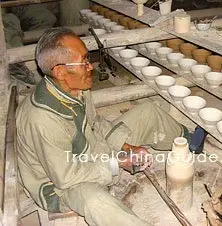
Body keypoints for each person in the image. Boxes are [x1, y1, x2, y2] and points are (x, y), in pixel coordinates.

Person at [16, 27, 207, 226]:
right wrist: (117, 162)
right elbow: (66, 176)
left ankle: (187, 140)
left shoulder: (76, 88)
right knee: (96, 201)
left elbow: (95, 123)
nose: (91, 67)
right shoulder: (42, 119)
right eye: (84, 62)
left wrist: (126, 147)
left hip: (89, 149)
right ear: (60, 71)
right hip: (59, 182)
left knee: (148, 111)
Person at [2, 2, 57, 86]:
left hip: (14, 5)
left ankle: (42, 61)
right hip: (4, 13)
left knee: (46, 17)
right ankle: (18, 67)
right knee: (9, 21)